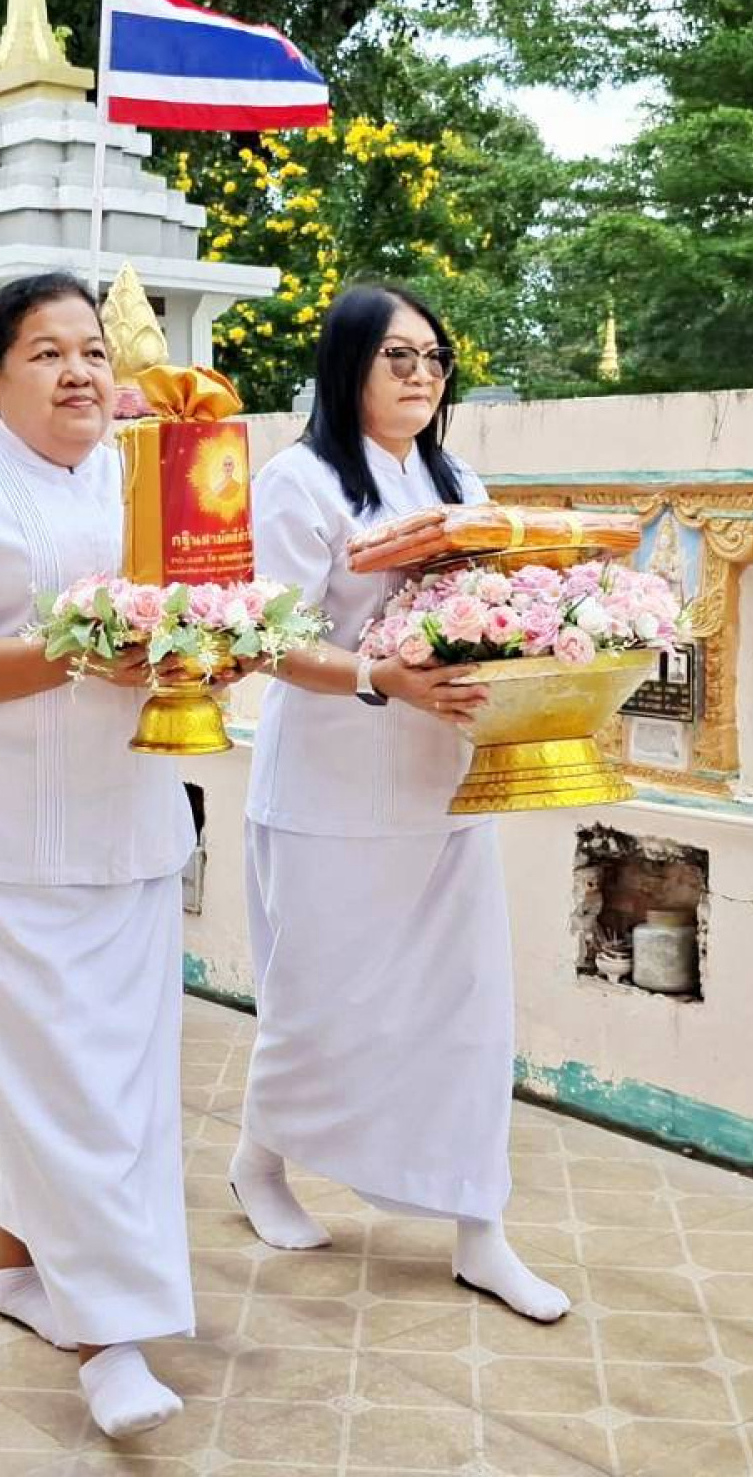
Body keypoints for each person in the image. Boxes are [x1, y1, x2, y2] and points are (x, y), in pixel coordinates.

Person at [0, 272, 195, 1440]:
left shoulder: (150, 479)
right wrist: (72, 651)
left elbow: (207, 609)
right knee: (66, 1086)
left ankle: (16, 1266)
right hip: (0, 841)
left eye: (92, 352)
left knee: (116, 1084)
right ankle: (107, 1338)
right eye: (47, 352)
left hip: (132, 825)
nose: (79, 372)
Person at [230, 285, 571, 1323]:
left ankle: (479, 1230)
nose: (421, 374)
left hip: (445, 782)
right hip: (331, 787)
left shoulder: (457, 480)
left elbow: (492, 605)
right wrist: (381, 678)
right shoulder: (297, 483)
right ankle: (259, 1162)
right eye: (397, 356)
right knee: (320, 1008)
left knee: (465, 1013)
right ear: (348, 366)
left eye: (434, 356)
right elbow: (270, 640)